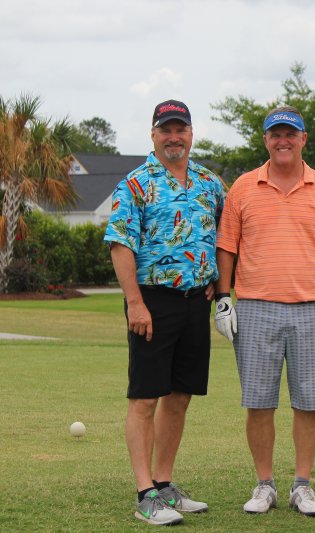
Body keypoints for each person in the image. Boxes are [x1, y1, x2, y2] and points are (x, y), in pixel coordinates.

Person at [214, 105, 315, 518]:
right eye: (275, 134)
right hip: (255, 308)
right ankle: (264, 485)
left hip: (313, 309)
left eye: (290, 134)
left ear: (303, 139)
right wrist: (223, 298)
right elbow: (227, 247)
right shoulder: (243, 187)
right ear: (265, 140)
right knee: (259, 402)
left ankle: (302, 485)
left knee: (309, 403)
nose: (283, 141)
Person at [104, 99, 226, 526]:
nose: (174, 137)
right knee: (145, 397)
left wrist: (217, 281)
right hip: (152, 302)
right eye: (166, 129)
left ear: (191, 133)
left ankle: (164, 483)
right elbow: (121, 244)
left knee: (180, 395)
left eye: (181, 129)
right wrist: (135, 302)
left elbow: (225, 238)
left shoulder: (210, 183)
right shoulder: (136, 184)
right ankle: (145, 495)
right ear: (153, 135)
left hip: (196, 302)